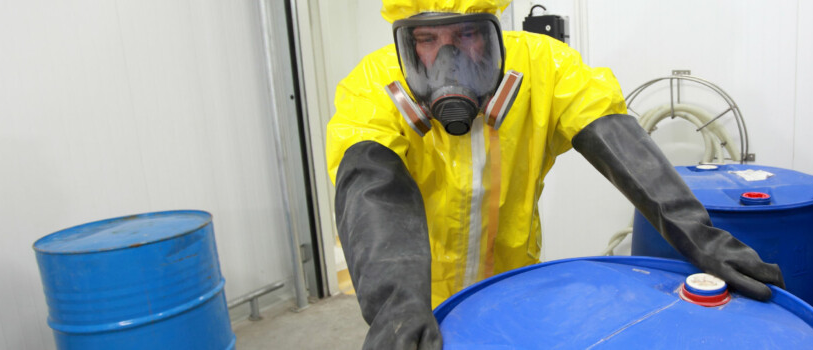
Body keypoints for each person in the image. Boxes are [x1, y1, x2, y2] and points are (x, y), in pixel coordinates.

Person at [326, 0, 786, 348]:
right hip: (420, 300)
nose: (449, 62)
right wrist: (397, 308)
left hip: (514, 289)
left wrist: (697, 235)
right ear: (404, 43)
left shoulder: (543, 70)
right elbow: (372, 190)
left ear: (493, 31)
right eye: (426, 41)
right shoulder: (374, 88)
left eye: (467, 34)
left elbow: (615, 138)